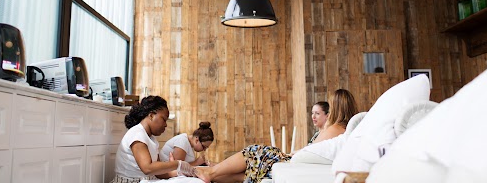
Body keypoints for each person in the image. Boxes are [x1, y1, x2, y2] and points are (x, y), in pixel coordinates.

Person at [195, 89, 358, 183]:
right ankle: (212, 174)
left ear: (336, 107)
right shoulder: (343, 129)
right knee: (252, 168)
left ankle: (211, 172)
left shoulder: (334, 128)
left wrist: (293, 153)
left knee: (256, 151)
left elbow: (312, 150)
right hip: (297, 160)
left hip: (293, 161)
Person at [112, 95, 199, 182]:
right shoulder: (137, 134)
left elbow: (159, 173)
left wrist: (182, 173)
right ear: (151, 116)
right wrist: (177, 164)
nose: (165, 125)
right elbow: (147, 168)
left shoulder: (152, 139)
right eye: (164, 119)